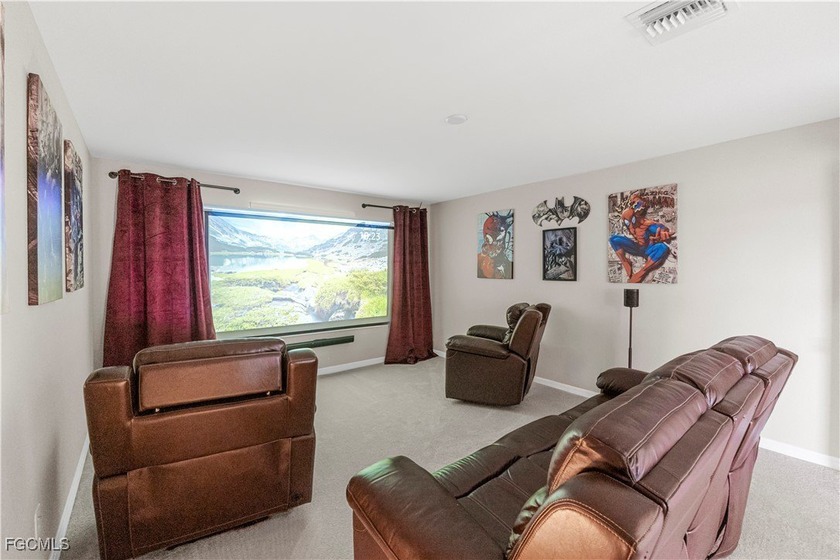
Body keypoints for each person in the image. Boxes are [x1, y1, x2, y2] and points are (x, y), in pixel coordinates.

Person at [609, 194, 672, 283]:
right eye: (627, 222)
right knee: (613, 239)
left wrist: (664, 232)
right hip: (636, 247)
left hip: (648, 250)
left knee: (663, 247)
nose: (630, 225)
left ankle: (641, 273)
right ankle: (625, 262)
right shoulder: (626, 217)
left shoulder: (645, 224)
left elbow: (660, 227)